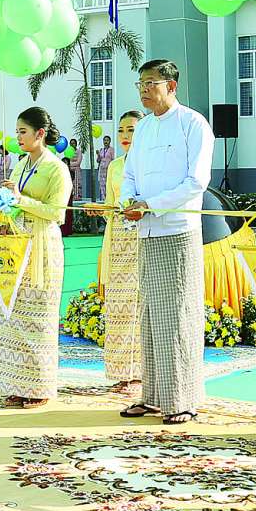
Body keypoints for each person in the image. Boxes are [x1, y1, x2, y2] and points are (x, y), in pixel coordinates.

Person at [118, 60, 213, 426]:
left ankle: (183, 400)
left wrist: (152, 204)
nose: (144, 90)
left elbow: (196, 182)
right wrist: (130, 200)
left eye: (151, 83)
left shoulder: (193, 123)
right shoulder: (143, 127)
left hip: (177, 230)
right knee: (151, 316)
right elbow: (129, 173)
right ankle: (154, 396)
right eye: (140, 83)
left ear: (171, 86)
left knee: (177, 315)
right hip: (145, 230)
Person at [0, 107, 72, 407]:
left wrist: (21, 199)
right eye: (17, 132)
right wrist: (4, 214)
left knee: (39, 317)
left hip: (42, 246)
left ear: (40, 133)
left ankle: (39, 386)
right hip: (16, 247)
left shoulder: (57, 169)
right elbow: (13, 204)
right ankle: (16, 383)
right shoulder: (19, 165)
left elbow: (57, 213)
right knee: (13, 315)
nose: (18, 137)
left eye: (23, 132)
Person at [100, 110, 143, 391]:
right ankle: (120, 371)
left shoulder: (149, 165)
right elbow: (109, 204)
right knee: (118, 307)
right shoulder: (115, 165)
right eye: (121, 130)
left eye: (132, 130)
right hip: (116, 239)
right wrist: (102, 210)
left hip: (141, 237)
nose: (125, 136)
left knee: (139, 304)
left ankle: (140, 371)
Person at [96, 135, 115, 201]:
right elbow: (98, 160)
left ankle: (108, 199)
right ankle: (103, 199)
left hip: (108, 169)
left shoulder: (111, 149)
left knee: (108, 184)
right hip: (102, 170)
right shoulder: (101, 150)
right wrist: (98, 155)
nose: (106, 142)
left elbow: (113, 159)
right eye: (104, 140)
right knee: (102, 185)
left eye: (107, 140)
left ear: (110, 141)